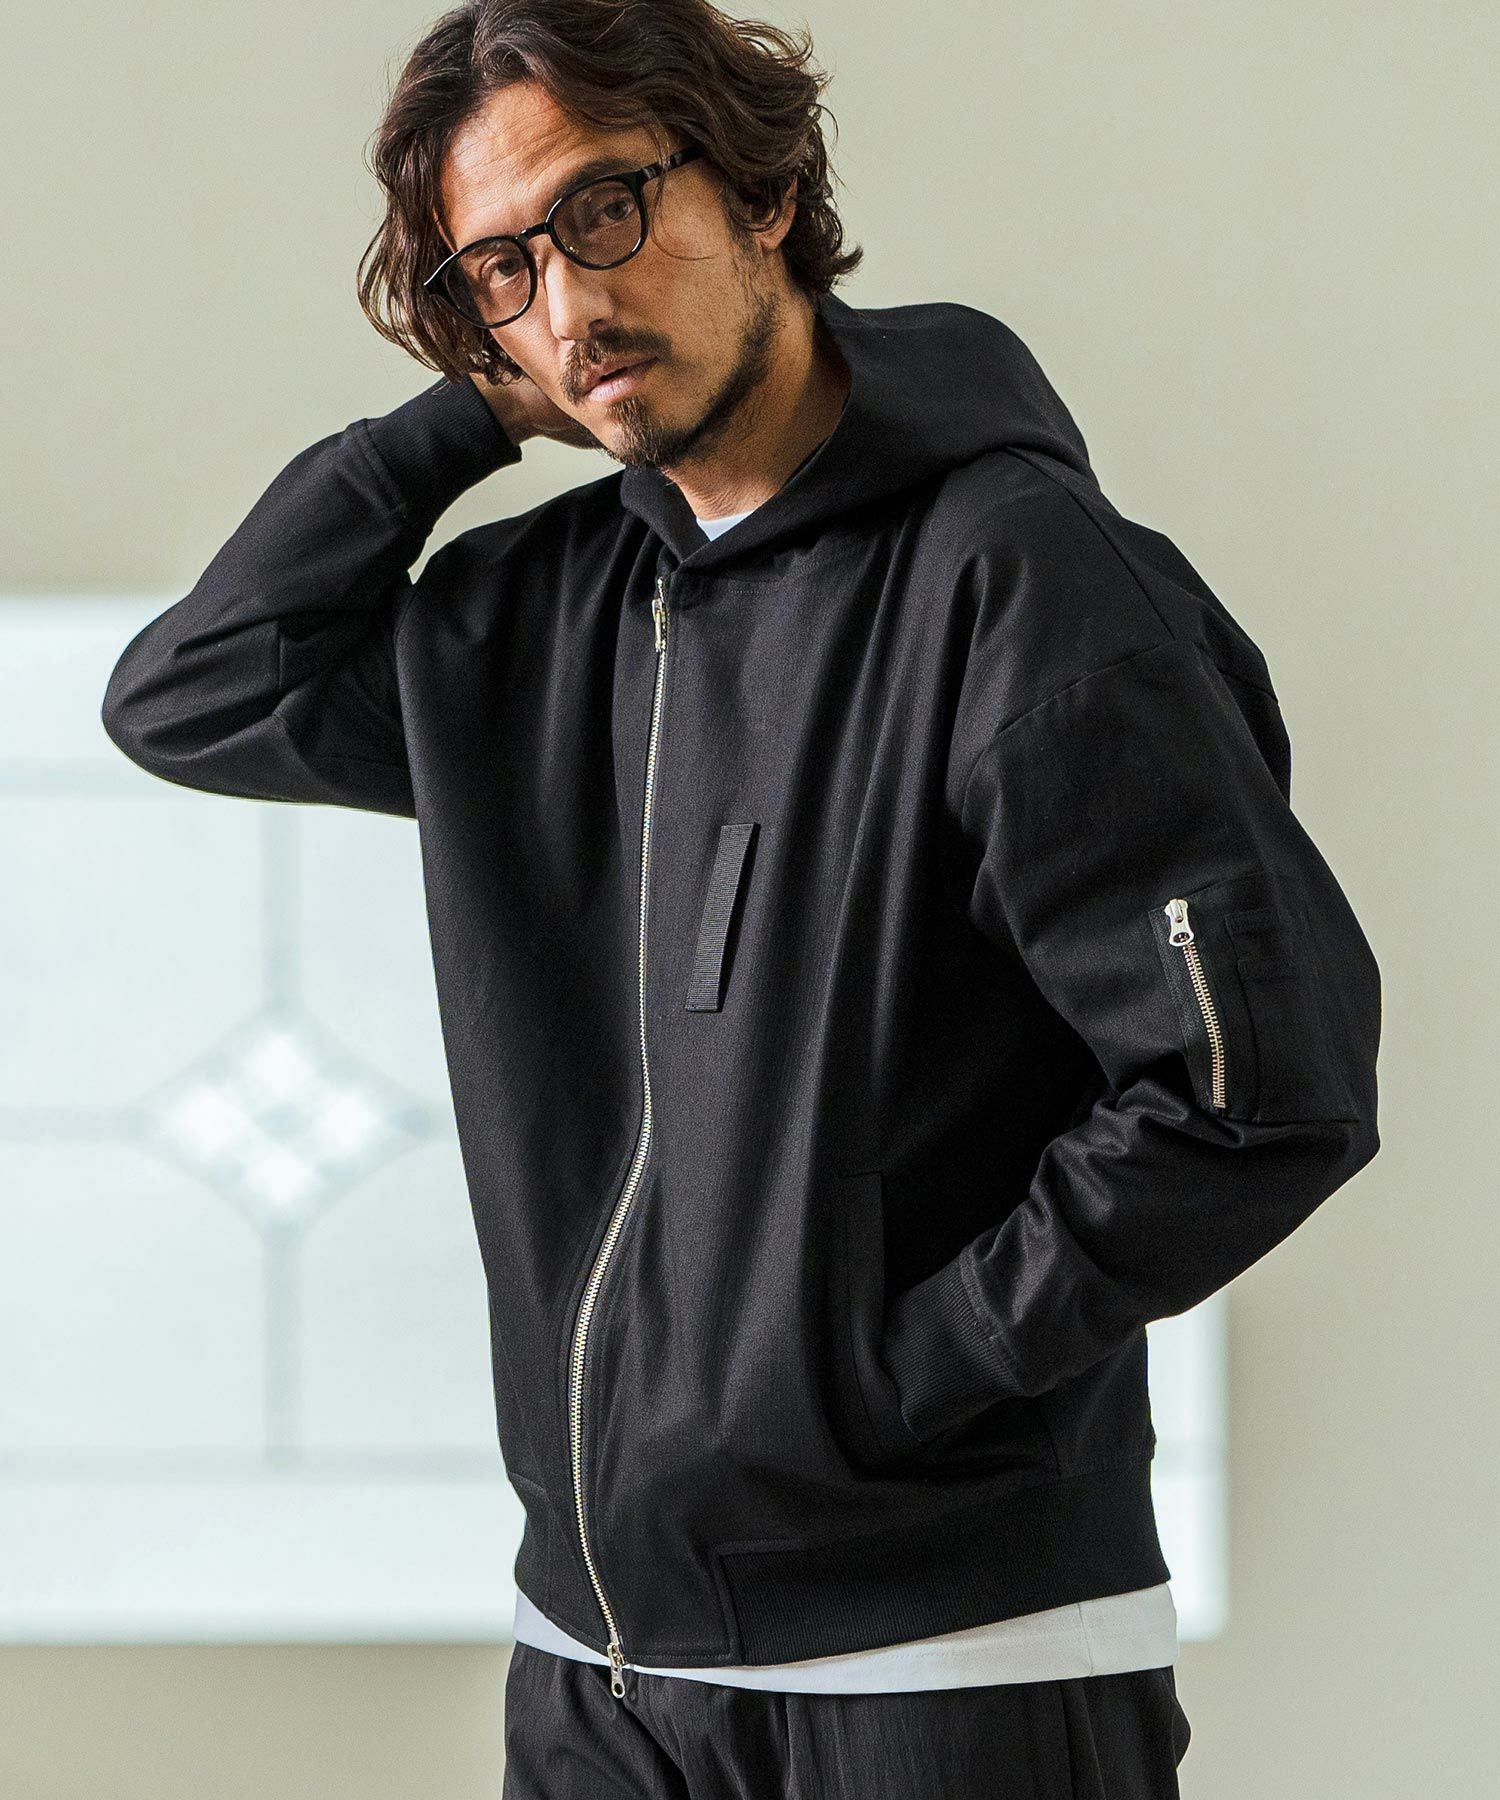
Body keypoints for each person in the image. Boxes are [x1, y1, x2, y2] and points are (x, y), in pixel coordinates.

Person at [100, 1, 1382, 1793]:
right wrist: (461, 420)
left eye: (603, 212)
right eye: (502, 271)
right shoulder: (540, 618)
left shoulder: (1018, 584)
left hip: (945, 1672)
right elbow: (195, 693)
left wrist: (882, 1379)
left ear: (764, 192)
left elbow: (1259, 1088)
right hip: (601, 1676)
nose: (570, 305)